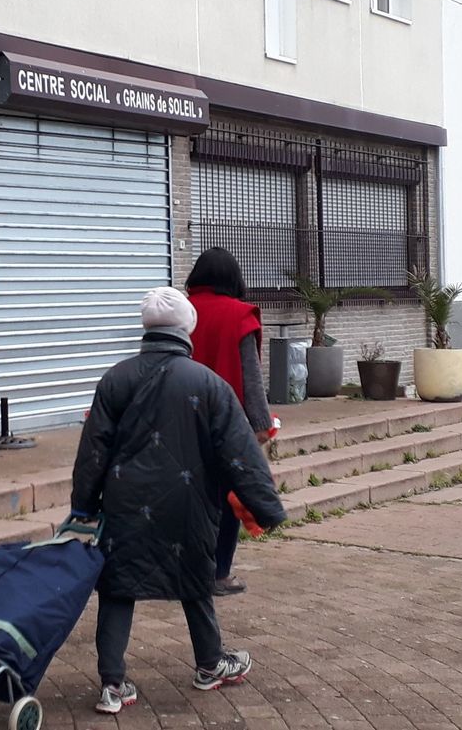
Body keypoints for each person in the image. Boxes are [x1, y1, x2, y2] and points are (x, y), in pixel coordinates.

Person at [70, 286, 286, 716]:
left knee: (117, 588)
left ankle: (112, 684)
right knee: (196, 581)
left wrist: (83, 507)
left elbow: (93, 450)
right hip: (188, 505)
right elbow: (240, 451)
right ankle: (210, 664)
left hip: (125, 504)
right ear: (187, 330)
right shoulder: (208, 383)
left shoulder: (115, 378)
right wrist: (267, 507)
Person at [186, 247, 273, 597]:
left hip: (180, 421)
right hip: (225, 425)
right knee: (227, 501)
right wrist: (261, 426)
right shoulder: (240, 316)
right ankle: (218, 574)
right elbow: (250, 378)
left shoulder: (181, 312)